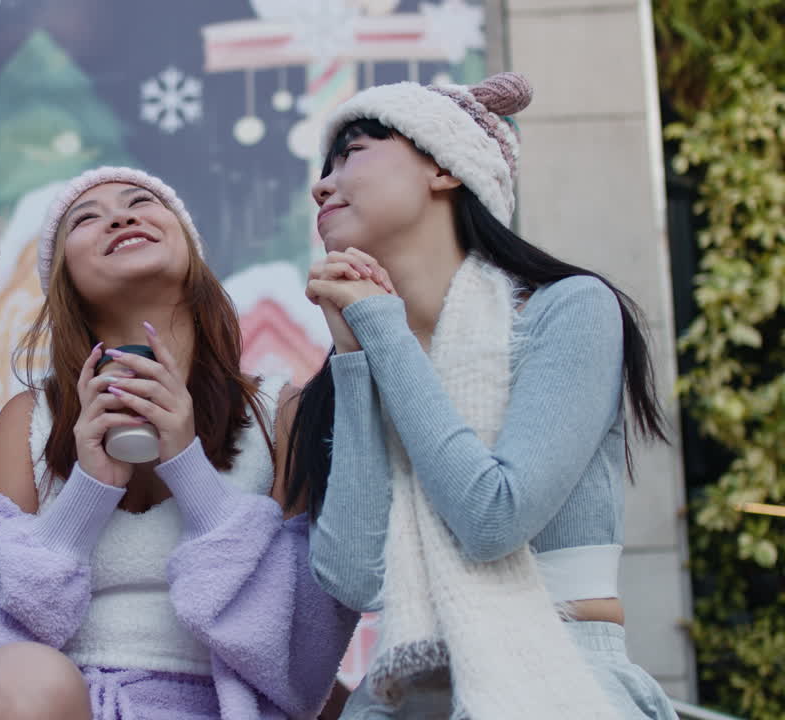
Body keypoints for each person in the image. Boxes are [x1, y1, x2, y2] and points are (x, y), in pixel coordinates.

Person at [289, 72, 679, 719]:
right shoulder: (358, 359)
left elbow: (494, 518)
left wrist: (384, 334)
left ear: (444, 168)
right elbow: (355, 579)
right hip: (406, 694)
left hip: (564, 672)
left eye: (352, 152)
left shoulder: (568, 309)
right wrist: (356, 362)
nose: (322, 184)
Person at [0, 166, 356, 719]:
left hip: (221, 708)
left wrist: (188, 466)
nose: (120, 216)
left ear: (190, 252)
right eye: (87, 218)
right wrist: (87, 493)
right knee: (20, 673)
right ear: (65, 280)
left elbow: (306, 644)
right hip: (60, 704)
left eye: (141, 202)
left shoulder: (279, 410)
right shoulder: (31, 419)